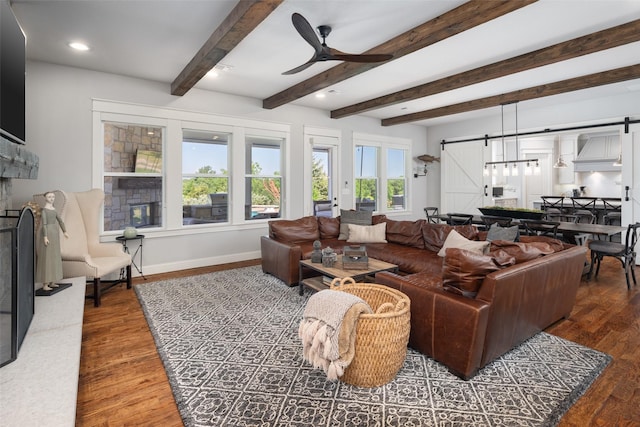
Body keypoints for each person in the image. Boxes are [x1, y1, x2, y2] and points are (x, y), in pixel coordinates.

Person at [36, 191, 69, 291]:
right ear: (45, 198)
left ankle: (53, 280)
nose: (52, 198)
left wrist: (65, 231)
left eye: (53, 197)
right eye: (49, 197)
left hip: (55, 233)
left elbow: (60, 221)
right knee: (47, 258)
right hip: (48, 233)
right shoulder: (44, 210)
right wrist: (45, 236)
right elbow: (44, 224)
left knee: (55, 256)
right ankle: (45, 283)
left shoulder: (54, 210)